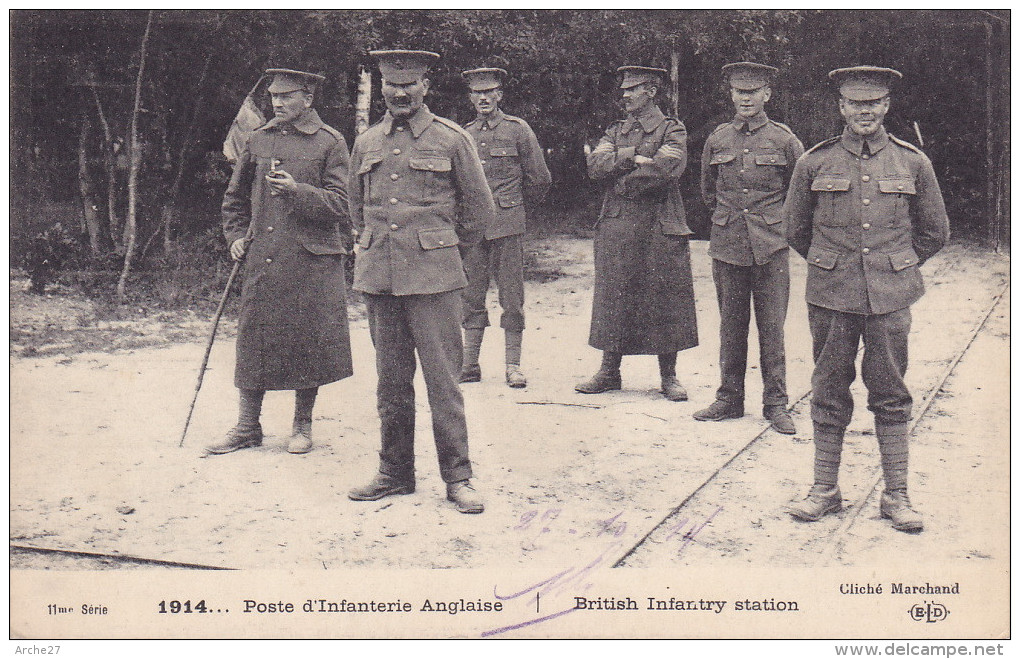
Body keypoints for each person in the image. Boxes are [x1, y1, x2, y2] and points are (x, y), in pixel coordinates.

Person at [783, 66, 950, 532]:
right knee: (828, 389)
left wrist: (896, 265)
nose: (865, 111)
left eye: (873, 103)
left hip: (890, 299)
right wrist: (833, 264)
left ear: (886, 106)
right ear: (841, 107)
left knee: (892, 392)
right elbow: (795, 229)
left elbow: (936, 232)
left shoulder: (912, 162)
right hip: (832, 297)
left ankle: (896, 496)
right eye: (856, 103)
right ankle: (824, 490)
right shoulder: (813, 163)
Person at [347, 50, 496, 514]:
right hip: (381, 281)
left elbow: (480, 212)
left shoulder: (451, 139)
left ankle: (458, 477)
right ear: (383, 87)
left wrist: (440, 250)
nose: (400, 92)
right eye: (391, 84)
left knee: (443, 383)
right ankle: (394, 473)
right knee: (390, 383)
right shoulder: (367, 141)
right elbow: (357, 209)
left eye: (409, 84)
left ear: (426, 86)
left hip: (435, 282)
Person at [210, 68, 353, 456]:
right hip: (265, 258)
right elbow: (234, 199)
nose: (278, 103)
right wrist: (236, 237)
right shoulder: (258, 139)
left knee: (307, 340)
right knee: (253, 338)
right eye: (274, 97)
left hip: (311, 261)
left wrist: (297, 191)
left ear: (308, 99)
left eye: (287, 96)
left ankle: (302, 425)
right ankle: (246, 426)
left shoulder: (330, 142)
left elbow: (342, 205)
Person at [694, 62, 803, 434]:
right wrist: (728, 220)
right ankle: (729, 398)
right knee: (731, 326)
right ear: (731, 95)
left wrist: (776, 226)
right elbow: (708, 192)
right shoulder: (718, 139)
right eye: (739, 91)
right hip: (728, 246)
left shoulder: (785, 140)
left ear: (766, 95)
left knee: (772, 328)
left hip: (771, 246)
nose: (745, 98)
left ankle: (776, 404)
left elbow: (799, 195)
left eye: (753, 91)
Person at [576, 65, 698, 401]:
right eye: (624, 89)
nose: (625, 95)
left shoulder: (673, 129)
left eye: (633, 89)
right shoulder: (616, 130)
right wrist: (635, 157)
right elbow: (595, 167)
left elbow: (666, 169)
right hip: (618, 224)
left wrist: (623, 170)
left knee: (666, 297)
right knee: (613, 294)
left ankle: (669, 376)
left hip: (660, 225)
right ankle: (608, 371)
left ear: (652, 91)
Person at [459, 67, 552, 388]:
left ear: (500, 95)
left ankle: (513, 365)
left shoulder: (518, 130)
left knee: (512, 297)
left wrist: (515, 208)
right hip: (473, 230)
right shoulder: (464, 133)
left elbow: (539, 178)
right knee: (470, 296)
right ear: (470, 97)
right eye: (477, 93)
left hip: (508, 227)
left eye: (490, 92)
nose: (483, 98)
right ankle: (469, 364)